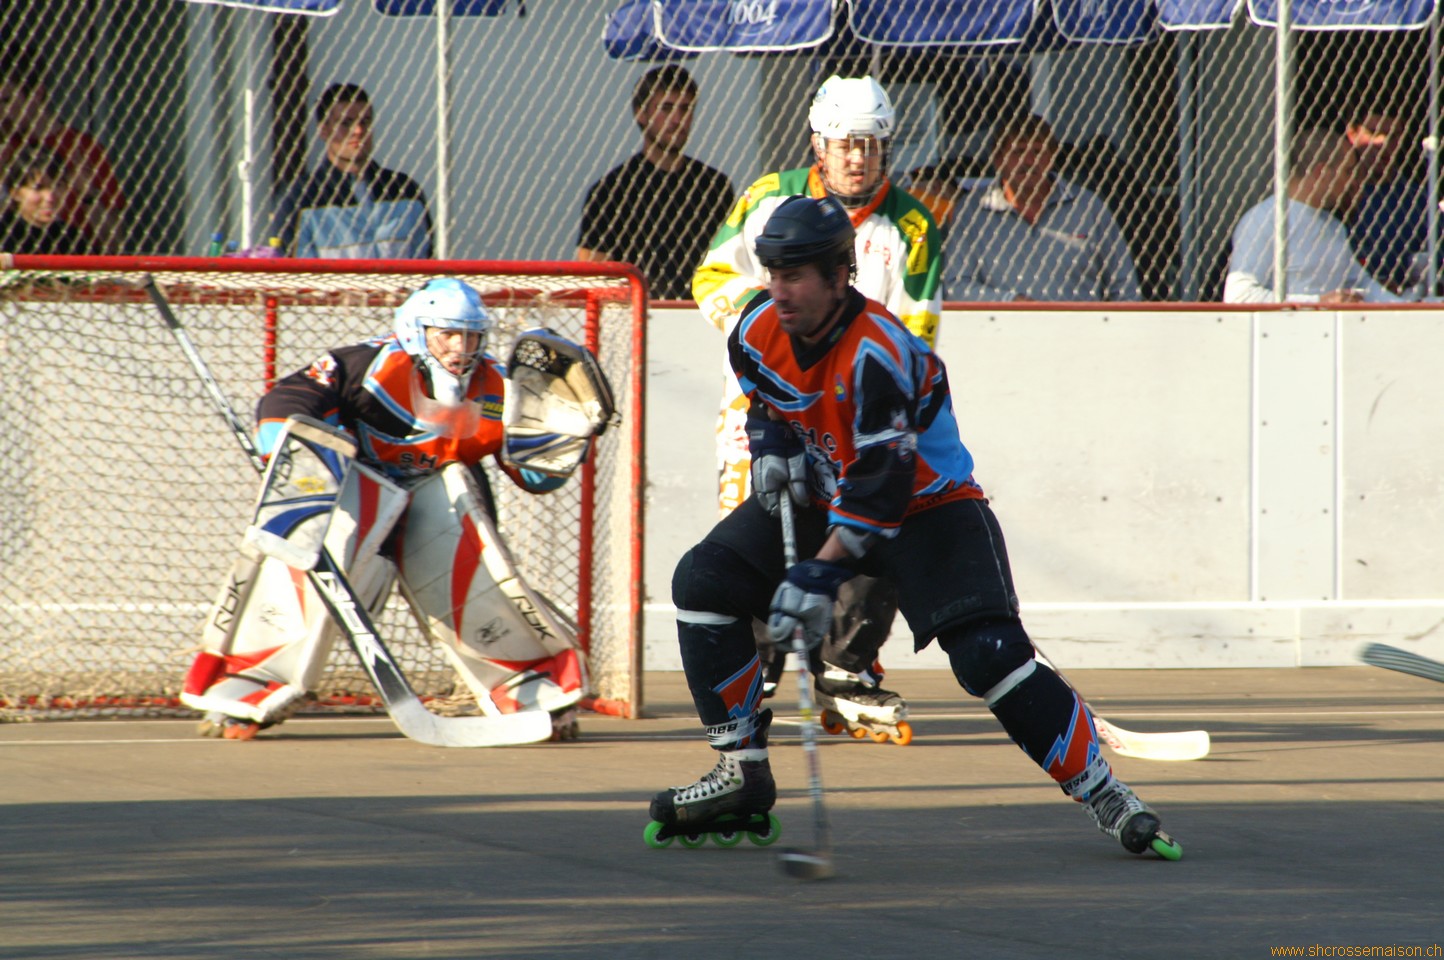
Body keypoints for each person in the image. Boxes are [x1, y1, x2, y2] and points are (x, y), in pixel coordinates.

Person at [647, 195, 1182, 861]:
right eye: (773, 273)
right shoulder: (757, 325)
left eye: (796, 276)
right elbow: (766, 396)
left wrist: (817, 576)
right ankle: (740, 770)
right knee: (704, 579)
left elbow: (880, 496)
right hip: (829, 488)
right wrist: (771, 445)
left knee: (988, 654)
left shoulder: (878, 354)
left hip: (928, 508)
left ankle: (1102, 789)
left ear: (839, 276)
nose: (779, 290)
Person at [180, 279, 601, 740]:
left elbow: (535, 477)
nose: (461, 348)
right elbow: (288, 400)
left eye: (472, 336)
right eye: (448, 334)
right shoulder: (362, 365)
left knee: (482, 581)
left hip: (442, 497)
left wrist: (563, 439)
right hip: (357, 495)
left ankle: (533, 691)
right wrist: (288, 454)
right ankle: (248, 683)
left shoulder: (499, 387)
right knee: (296, 565)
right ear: (416, 331)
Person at [691, 74, 943, 740]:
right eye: (844, 143)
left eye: (871, 144)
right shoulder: (768, 198)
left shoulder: (912, 224)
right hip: (767, 404)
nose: (858, 157)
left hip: (856, 412)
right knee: (757, 528)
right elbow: (712, 277)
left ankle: (845, 669)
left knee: (874, 520)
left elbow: (917, 330)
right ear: (817, 145)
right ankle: (760, 665)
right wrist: (771, 340)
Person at [576, 66, 734, 299]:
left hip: (702, 308)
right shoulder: (611, 190)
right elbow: (593, 274)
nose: (677, 120)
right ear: (641, 113)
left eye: (685, 108)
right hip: (636, 310)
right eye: (666, 108)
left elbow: (732, 260)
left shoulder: (714, 187)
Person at [948, 114, 1140, 302]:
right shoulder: (972, 211)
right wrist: (1009, 302)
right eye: (1019, 151)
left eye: (1038, 151)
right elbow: (955, 285)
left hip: (1076, 323)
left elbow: (1125, 286)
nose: (1029, 161)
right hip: (1004, 323)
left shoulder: (1088, 208)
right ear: (998, 159)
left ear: (1052, 157)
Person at [1224, 127, 1400, 304]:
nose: (1352, 182)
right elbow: (1239, 296)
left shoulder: (1333, 226)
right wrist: (1318, 302)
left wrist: (1406, 309)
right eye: (1347, 171)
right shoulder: (1263, 220)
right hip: (1288, 323)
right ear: (1321, 172)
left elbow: (1361, 284)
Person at [272, 83, 432, 259]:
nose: (358, 131)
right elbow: (294, 267)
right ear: (324, 130)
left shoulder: (405, 190)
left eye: (365, 121)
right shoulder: (301, 196)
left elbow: (426, 260)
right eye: (346, 123)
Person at [0, 45, 125, 253]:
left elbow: (114, 242)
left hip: (73, 256)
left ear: (36, 94)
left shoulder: (82, 149)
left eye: (6, 100)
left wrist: (87, 194)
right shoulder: (7, 150)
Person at [1347, 108, 1427, 296]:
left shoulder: (1416, 198)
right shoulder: (1333, 195)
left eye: (1392, 136)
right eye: (1374, 133)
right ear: (1353, 134)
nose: (1383, 142)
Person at [0, 144, 96, 255]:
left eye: (58, 185)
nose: (50, 197)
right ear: (15, 193)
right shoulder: (4, 233)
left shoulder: (72, 237)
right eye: (38, 188)